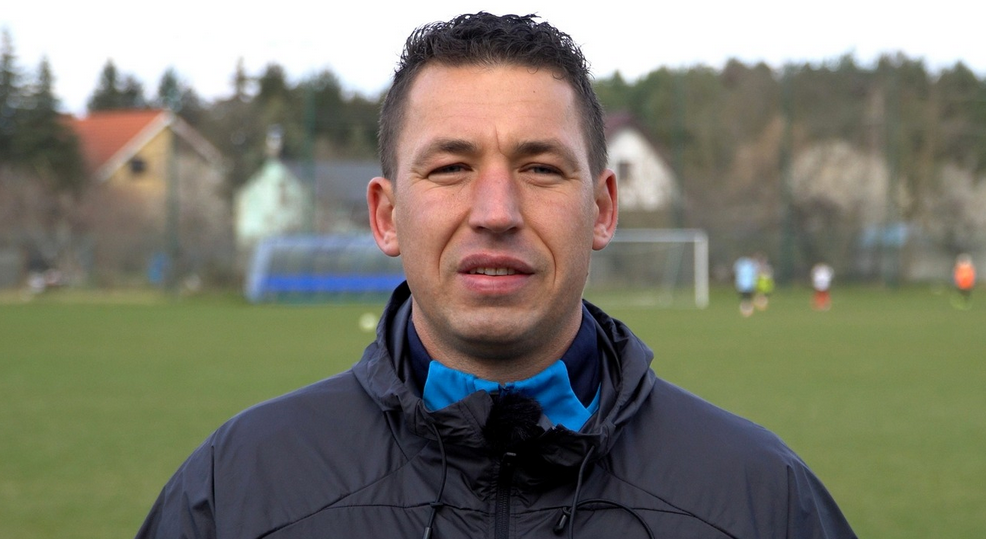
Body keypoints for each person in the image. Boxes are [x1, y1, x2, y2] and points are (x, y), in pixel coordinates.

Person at [136, 13, 856, 539]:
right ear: (386, 216)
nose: (496, 212)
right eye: (451, 167)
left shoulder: (761, 498)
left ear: (602, 209)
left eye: (539, 168)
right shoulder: (236, 490)